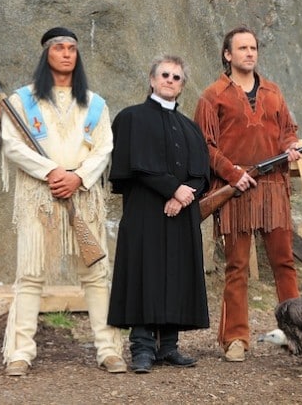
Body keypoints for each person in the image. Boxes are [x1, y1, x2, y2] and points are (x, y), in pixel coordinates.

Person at [0, 27, 126, 376]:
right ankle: (20, 353)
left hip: (82, 195)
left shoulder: (95, 103)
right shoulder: (21, 101)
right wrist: (52, 171)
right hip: (40, 194)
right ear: (47, 54)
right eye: (59, 48)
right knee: (30, 274)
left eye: (72, 48)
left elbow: (104, 148)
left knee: (96, 274)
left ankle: (109, 349)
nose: (67, 53)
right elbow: (12, 145)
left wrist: (78, 178)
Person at [194, 26, 302, 362]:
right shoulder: (212, 96)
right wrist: (233, 174)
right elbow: (205, 146)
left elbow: (288, 132)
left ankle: (297, 333)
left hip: (273, 191)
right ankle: (235, 339)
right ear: (228, 55)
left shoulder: (273, 92)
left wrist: (292, 148)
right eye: (242, 48)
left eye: (253, 47)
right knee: (237, 266)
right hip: (236, 193)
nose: (249, 53)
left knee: (284, 263)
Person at [107, 55, 210, 374]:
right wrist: (171, 189)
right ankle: (141, 348)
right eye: (164, 75)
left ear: (182, 86)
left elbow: (202, 173)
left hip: (181, 213)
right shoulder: (131, 118)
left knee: (176, 274)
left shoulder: (190, 128)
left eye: (177, 77)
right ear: (151, 80)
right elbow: (132, 164)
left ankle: (169, 347)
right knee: (144, 274)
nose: (170, 80)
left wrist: (184, 195)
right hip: (144, 211)